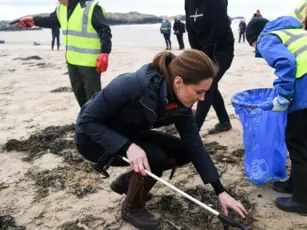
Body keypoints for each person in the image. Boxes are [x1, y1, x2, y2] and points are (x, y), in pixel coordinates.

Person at [75, 50, 248, 229]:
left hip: (132, 133)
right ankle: (131, 207)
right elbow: (87, 122)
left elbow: (194, 144)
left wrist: (220, 191)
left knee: (184, 151)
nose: (202, 98)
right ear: (179, 82)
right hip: (94, 140)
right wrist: (127, 146)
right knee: (154, 157)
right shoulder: (130, 85)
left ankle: (126, 185)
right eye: (199, 91)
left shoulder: (181, 105)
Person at [245, 16, 307, 215]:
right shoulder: (293, 30)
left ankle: (302, 201)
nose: (258, 51)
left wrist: (283, 96)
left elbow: (286, 63)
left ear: (255, 38)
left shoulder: (266, 37)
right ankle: (294, 184)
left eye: (254, 46)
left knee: (296, 141)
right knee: (305, 141)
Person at [16, 0, 111, 107]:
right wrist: (33, 21)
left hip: (90, 63)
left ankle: (98, 124)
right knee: (81, 98)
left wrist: (105, 52)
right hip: (72, 61)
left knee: (94, 99)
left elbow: (105, 30)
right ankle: (86, 123)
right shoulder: (61, 8)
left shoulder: (91, 7)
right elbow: (52, 21)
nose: (60, 2)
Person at [180, 0, 235, 134]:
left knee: (208, 84)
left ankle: (194, 131)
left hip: (222, 48)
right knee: (212, 84)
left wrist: (207, 50)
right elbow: (190, 29)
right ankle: (225, 122)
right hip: (203, 50)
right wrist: (196, 52)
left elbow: (220, 27)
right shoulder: (188, 2)